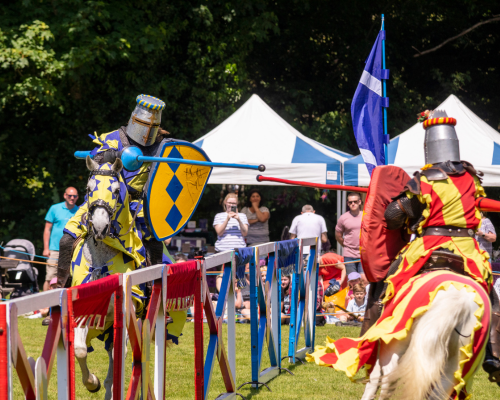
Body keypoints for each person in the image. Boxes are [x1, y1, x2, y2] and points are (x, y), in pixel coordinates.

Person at [308, 110, 500, 390]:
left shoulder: (425, 179)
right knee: (491, 297)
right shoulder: (472, 178)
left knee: (386, 285)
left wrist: (405, 213)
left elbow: (392, 216)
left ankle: (373, 335)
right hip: (468, 251)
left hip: (428, 246)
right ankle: (494, 356)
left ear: (428, 147)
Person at [57, 95, 173, 289]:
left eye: (152, 128)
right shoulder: (114, 138)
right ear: (134, 120)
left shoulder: (160, 147)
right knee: (67, 239)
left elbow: (170, 172)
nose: (146, 133)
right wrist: (113, 154)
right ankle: (60, 296)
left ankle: (154, 297)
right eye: (143, 125)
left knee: (152, 240)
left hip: (138, 205)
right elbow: (96, 158)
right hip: (102, 198)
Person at [43, 187, 79, 292]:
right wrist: (46, 248)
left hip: (71, 251)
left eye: (75, 196)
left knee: (69, 277)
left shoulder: (79, 211)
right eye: (70, 195)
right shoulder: (54, 208)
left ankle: (64, 303)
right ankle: (44, 305)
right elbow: (47, 229)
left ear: (77, 197)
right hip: (54, 249)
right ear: (65, 195)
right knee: (50, 277)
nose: (72, 198)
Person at [213, 193, 249, 291]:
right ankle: (221, 299)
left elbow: (245, 233)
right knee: (222, 277)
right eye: (229, 203)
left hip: (239, 252)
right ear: (225, 203)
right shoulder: (219, 216)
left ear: (237, 204)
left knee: (240, 277)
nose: (232, 205)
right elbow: (219, 232)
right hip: (222, 251)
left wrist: (239, 220)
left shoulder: (242, 216)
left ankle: (240, 301)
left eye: (234, 203)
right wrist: (227, 219)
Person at [335, 192, 365, 283]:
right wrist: (346, 245)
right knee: (352, 281)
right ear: (348, 203)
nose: (353, 204)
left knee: (364, 280)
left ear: (360, 202)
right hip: (349, 254)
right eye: (350, 202)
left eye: (355, 201)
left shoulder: (366, 216)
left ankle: (363, 297)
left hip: (363, 253)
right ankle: (351, 297)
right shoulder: (343, 218)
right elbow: (338, 235)